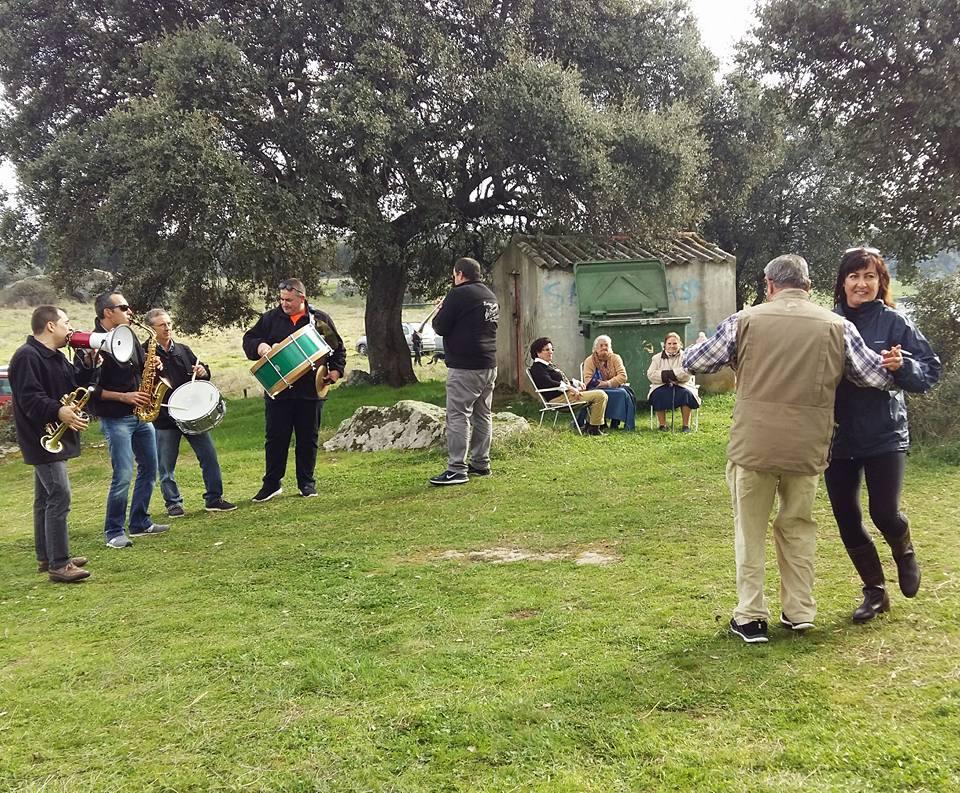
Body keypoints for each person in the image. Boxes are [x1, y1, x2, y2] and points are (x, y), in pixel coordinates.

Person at [682, 254, 892, 643]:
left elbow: (696, 362)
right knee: (798, 527)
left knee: (750, 531)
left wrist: (699, 348)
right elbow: (875, 376)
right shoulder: (838, 326)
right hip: (808, 446)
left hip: (754, 444)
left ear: (769, 285)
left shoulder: (744, 320)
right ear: (808, 286)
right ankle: (799, 611)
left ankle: (750, 617)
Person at [824, 247, 941, 622]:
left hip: (884, 433)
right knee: (846, 518)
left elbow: (930, 371)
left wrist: (903, 366)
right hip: (837, 436)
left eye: (869, 276)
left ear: (881, 282)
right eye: (854, 276)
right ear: (843, 282)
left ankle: (904, 550)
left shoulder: (895, 322)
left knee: (884, 512)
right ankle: (875, 592)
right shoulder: (827, 322)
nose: (862, 284)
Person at [9, 306, 93, 582]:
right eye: (66, 322)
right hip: (41, 438)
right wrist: (58, 411)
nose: (70, 328)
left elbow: (75, 384)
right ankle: (60, 564)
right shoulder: (27, 356)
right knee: (59, 495)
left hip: (52, 436)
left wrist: (90, 362)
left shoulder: (56, 356)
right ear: (50, 326)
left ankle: (46, 556)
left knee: (44, 499)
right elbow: (29, 399)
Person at [242, 278, 346, 501]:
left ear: (302, 298)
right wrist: (260, 346)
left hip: (310, 392)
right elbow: (249, 339)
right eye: (281, 299)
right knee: (275, 439)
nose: (284, 304)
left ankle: (306, 483)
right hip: (279, 392)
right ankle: (271, 485)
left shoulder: (319, 320)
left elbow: (337, 349)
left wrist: (336, 372)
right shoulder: (270, 319)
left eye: (288, 300)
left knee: (308, 439)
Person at [88, 292, 169, 548]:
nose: (130, 311)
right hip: (116, 417)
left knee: (150, 468)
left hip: (140, 414)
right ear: (107, 312)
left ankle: (139, 522)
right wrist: (124, 396)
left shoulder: (129, 334)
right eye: (123, 307)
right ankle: (113, 531)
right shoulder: (92, 343)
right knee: (123, 475)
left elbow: (140, 365)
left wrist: (152, 362)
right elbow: (89, 389)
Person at [143, 309, 236, 517]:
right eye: (162, 325)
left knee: (209, 456)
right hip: (165, 418)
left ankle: (214, 498)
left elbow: (201, 371)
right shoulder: (144, 353)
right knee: (166, 465)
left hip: (191, 414)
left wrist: (203, 371)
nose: (167, 328)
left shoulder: (183, 349)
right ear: (151, 329)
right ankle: (173, 503)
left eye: (169, 323)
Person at [429, 257, 499, 485]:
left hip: (465, 366)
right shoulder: (489, 295)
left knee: (458, 414)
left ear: (459, 274)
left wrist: (440, 310)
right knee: (483, 414)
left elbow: (440, 326)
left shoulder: (458, 294)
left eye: (454, 275)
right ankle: (480, 462)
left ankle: (457, 469)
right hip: (489, 363)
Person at [529, 337, 608, 436]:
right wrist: (570, 388)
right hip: (560, 399)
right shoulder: (538, 368)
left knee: (599, 394)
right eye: (547, 350)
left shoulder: (547, 365)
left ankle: (590, 426)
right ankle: (594, 429)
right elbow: (548, 382)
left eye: (552, 349)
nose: (551, 352)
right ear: (538, 352)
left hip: (567, 395)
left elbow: (559, 381)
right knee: (600, 395)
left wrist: (575, 383)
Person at [646, 331, 701, 432]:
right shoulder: (656, 358)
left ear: (680, 344)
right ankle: (662, 425)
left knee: (686, 394)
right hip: (662, 385)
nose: (672, 346)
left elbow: (687, 373)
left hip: (683, 385)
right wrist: (672, 376)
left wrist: (666, 374)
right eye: (669, 343)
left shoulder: (686, 356)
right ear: (665, 345)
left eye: (675, 343)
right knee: (658, 394)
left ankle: (685, 426)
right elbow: (651, 374)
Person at [582, 335, 635, 430]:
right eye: (601, 345)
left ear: (610, 347)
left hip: (613, 387)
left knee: (623, 393)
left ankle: (616, 422)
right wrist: (599, 384)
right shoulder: (590, 360)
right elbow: (587, 380)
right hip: (596, 389)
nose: (604, 348)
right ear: (595, 348)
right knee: (612, 393)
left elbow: (623, 376)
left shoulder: (615, 358)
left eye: (606, 345)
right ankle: (601, 422)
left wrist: (607, 383)